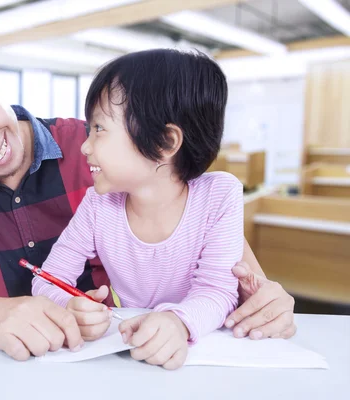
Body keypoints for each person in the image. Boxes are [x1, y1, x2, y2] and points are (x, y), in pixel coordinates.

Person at [0, 50, 296, 362]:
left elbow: (200, 221)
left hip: (124, 357)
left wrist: (259, 292)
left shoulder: (106, 148)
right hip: (10, 365)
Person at [33, 49, 244, 370]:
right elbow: (46, 280)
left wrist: (177, 322)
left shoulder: (220, 195)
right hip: (128, 355)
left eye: (99, 129)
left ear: (165, 142)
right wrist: (69, 305)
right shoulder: (98, 204)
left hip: (202, 358)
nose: (85, 146)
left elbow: (218, 291)